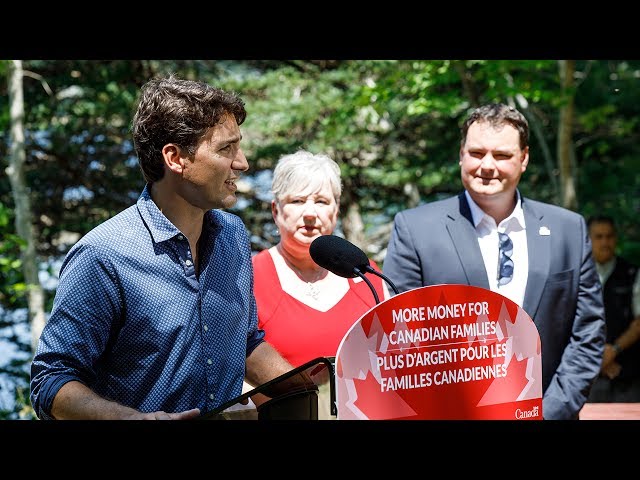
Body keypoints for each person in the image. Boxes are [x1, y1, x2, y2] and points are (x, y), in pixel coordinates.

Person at [29, 74, 301, 420]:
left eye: (239, 145)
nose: (243, 162)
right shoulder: (102, 255)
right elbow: (51, 381)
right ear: (175, 158)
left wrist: (310, 391)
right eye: (226, 148)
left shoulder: (233, 235)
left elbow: (246, 342)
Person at [382, 102, 606, 420]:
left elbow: (588, 333)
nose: (487, 165)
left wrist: (546, 412)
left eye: (501, 155)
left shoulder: (568, 229)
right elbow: (400, 339)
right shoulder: (415, 229)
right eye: (476, 153)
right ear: (461, 154)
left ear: (524, 159)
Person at [252, 149, 389, 368]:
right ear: (276, 210)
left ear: (336, 211)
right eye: (297, 200)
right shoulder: (249, 277)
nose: (310, 213)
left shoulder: (366, 273)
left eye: (322, 202)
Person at [586, 215, 640, 402]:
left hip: (626, 376)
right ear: (588, 239)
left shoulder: (632, 273)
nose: (605, 242)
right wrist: (598, 358)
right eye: (598, 237)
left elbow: (639, 323)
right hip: (585, 376)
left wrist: (613, 351)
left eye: (609, 236)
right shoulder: (576, 275)